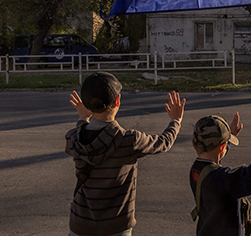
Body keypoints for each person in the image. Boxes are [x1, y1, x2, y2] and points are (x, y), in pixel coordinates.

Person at [64, 72, 185, 236]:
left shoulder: (72, 138)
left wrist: (83, 118)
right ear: (118, 101)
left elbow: (82, 130)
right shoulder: (130, 140)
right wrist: (175, 121)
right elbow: (163, 143)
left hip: (80, 224)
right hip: (116, 226)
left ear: (86, 104)